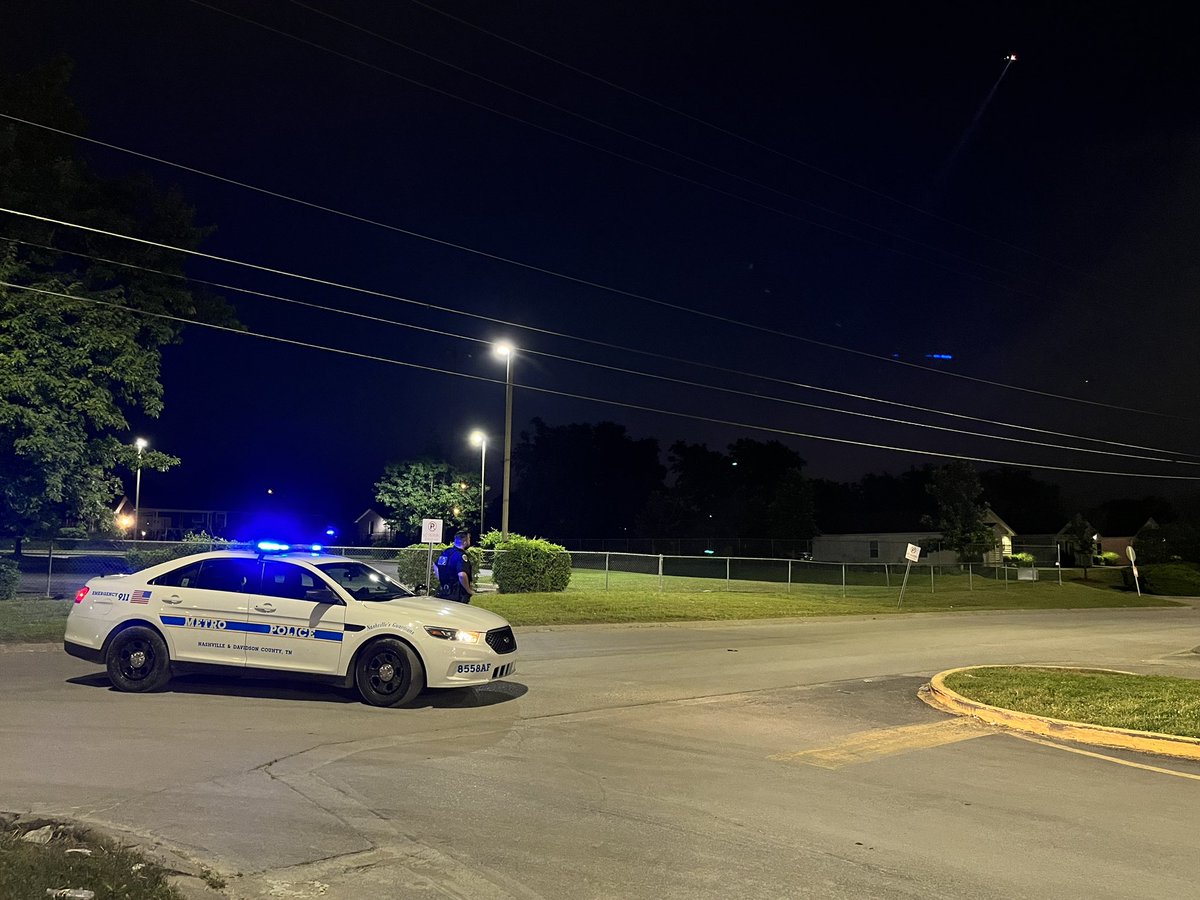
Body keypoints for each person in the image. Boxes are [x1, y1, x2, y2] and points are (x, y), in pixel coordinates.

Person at [435, 531, 475, 603]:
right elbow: (462, 575)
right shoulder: (461, 556)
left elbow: (435, 565)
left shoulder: (446, 552)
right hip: (456, 594)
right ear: (465, 542)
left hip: (443, 591)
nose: (470, 541)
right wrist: (468, 590)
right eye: (469, 539)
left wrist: (441, 578)